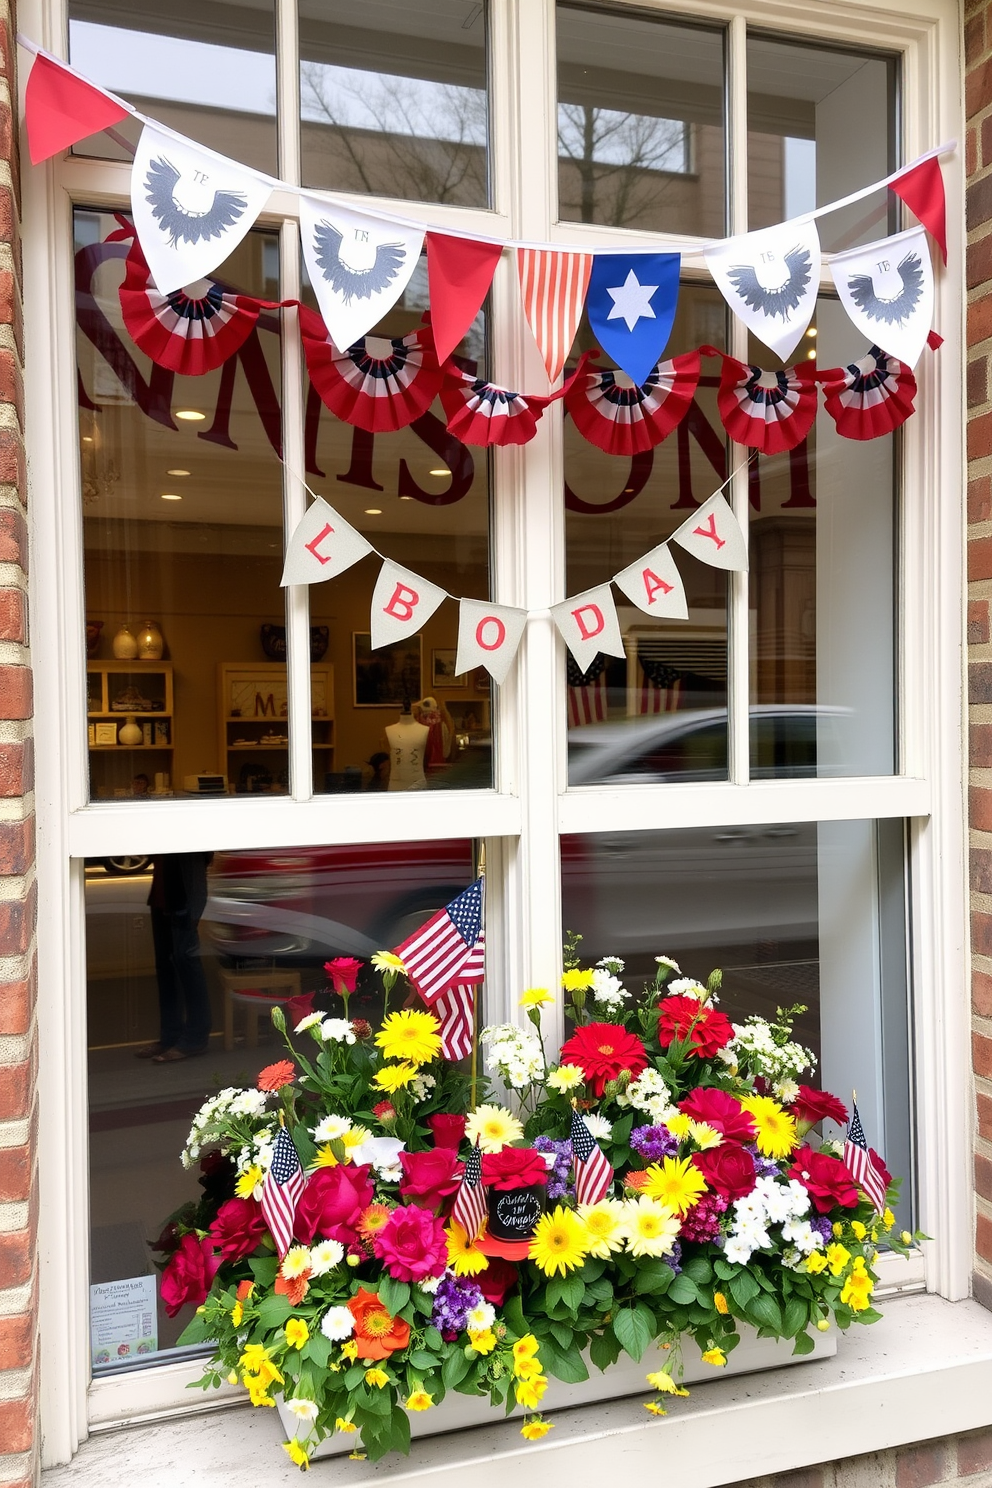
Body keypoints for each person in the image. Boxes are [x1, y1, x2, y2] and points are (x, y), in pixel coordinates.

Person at [135, 853, 214, 1063]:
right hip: (164, 896)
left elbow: (200, 858)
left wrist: (195, 910)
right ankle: (170, 1036)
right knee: (165, 968)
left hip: (183, 898)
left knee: (186, 963)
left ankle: (195, 1037)